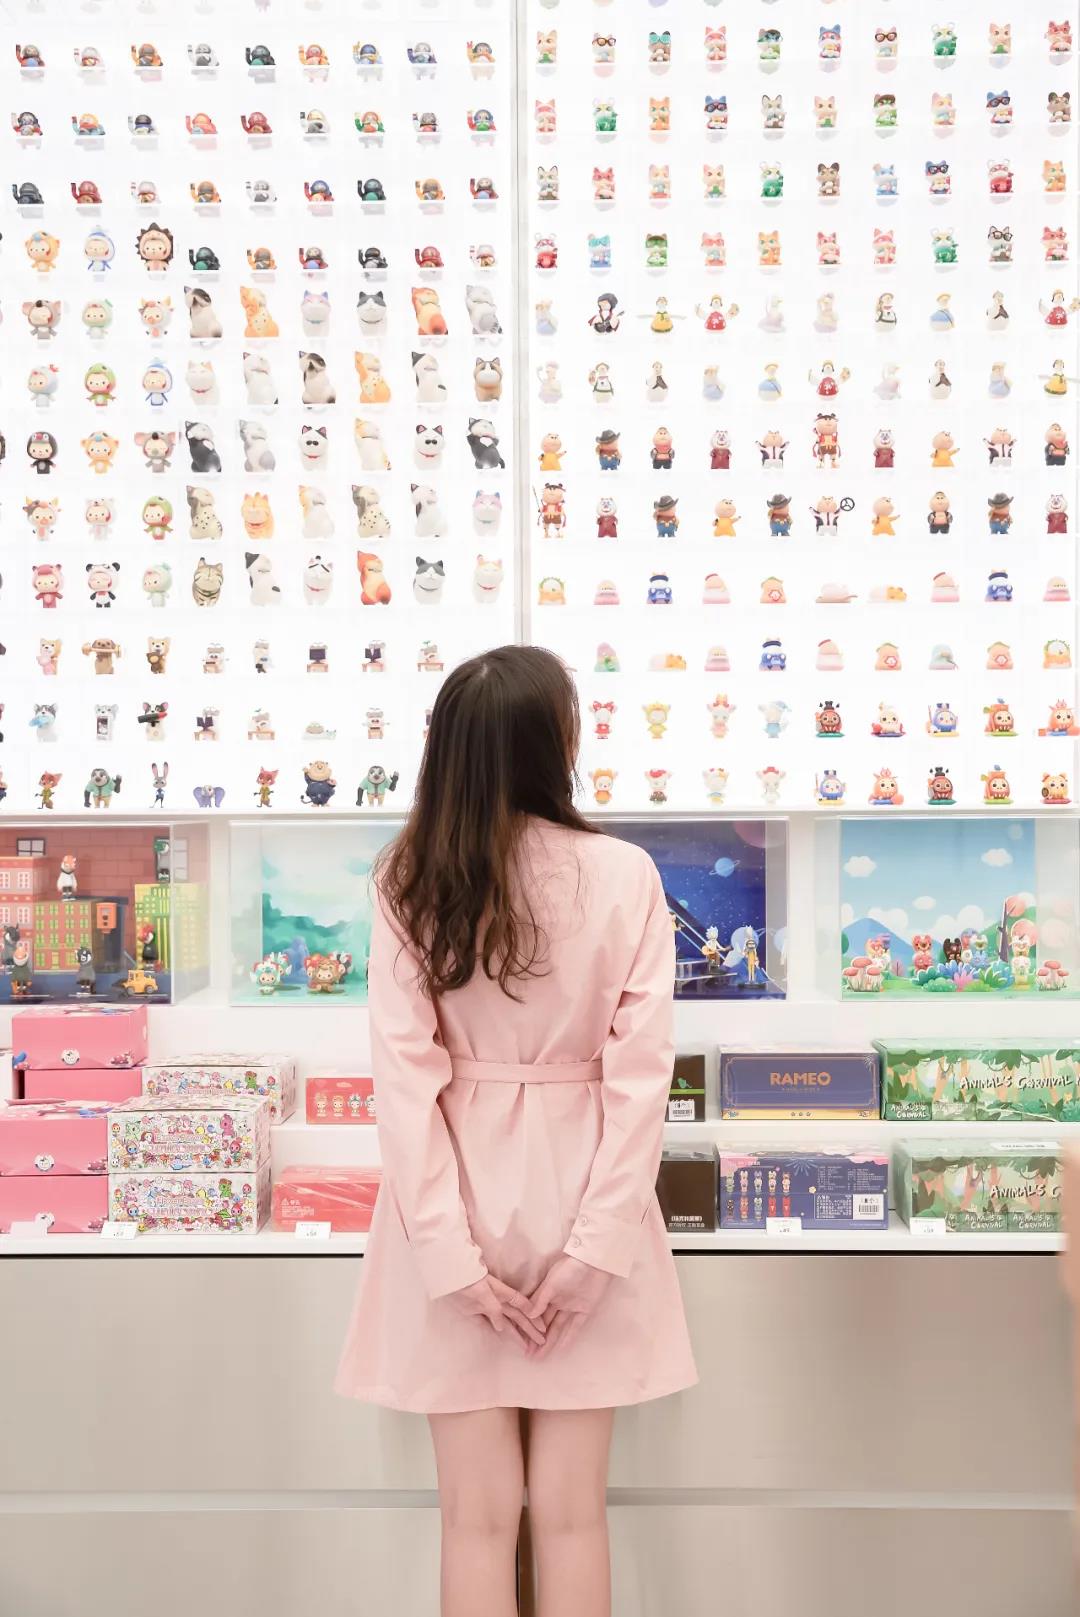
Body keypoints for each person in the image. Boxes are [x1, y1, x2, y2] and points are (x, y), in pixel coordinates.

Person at [337, 645, 696, 1617]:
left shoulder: (408, 877)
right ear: (554, 745)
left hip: (453, 1198)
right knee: (574, 1517)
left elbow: (403, 1083)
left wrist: (448, 1259)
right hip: (585, 1189)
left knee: (475, 1520)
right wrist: (598, 1249)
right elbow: (641, 1081)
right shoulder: (624, 873)